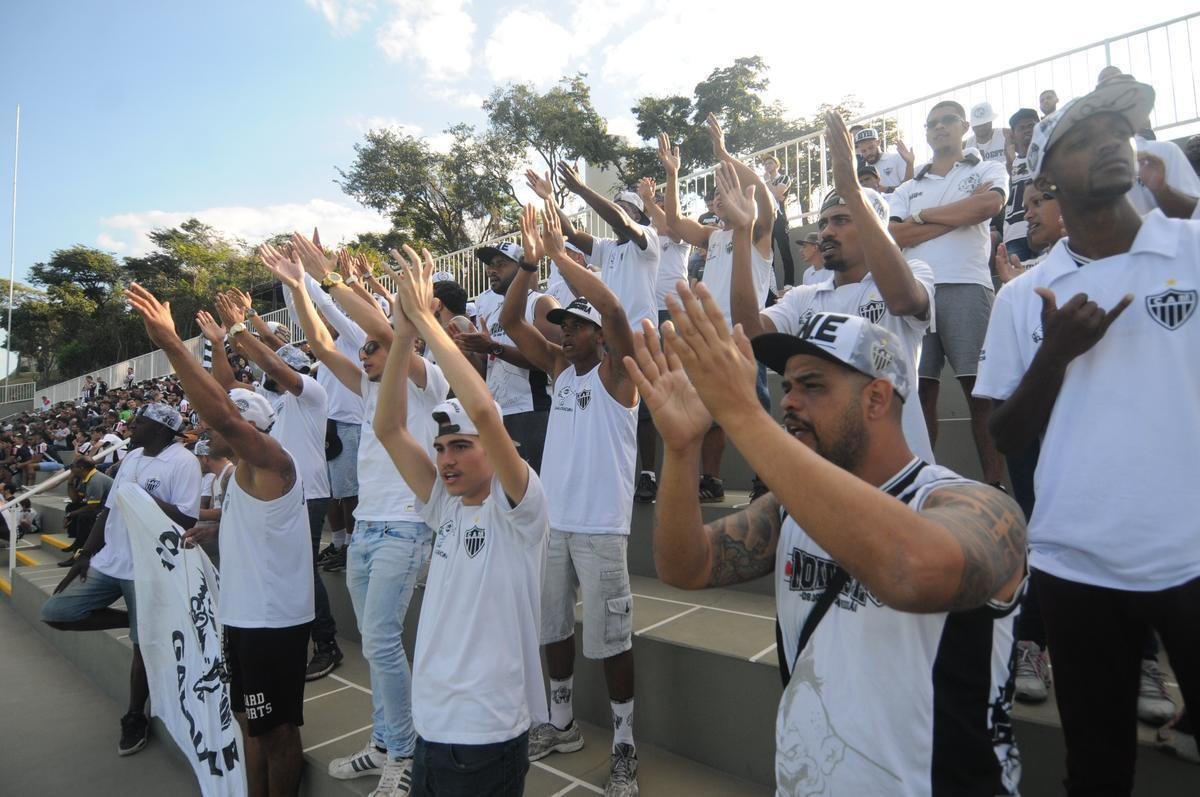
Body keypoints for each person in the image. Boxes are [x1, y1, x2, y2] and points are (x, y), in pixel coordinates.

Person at [636, 286, 1026, 794]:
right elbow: (684, 567)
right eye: (787, 385)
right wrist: (682, 449)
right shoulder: (789, 507)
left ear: (877, 399)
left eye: (813, 386)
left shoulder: (977, 507)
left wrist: (743, 415)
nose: (789, 402)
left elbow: (912, 571)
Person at [974, 75, 1200, 790]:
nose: (1112, 143)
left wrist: (1185, 203)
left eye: (1121, 132)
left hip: (1195, 554)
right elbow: (1007, 434)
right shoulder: (1022, 296)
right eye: (1086, 137)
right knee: (1097, 768)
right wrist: (1055, 356)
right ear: (1044, 178)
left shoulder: (1193, 246)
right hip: (1077, 565)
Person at [266, 235, 449, 797]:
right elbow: (320, 344)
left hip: (406, 528)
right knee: (375, 643)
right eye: (364, 349)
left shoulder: (425, 385)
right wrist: (299, 287)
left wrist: (333, 282)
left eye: (373, 347)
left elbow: (394, 338)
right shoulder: (370, 393)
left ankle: (405, 752)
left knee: (382, 641)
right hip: (368, 529)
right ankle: (386, 740)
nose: (365, 354)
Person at [373, 244, 549, 797]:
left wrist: (428, 320)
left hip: (486, 728)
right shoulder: (443, 505)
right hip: (432, 721)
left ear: (496, 452)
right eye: (442, 447)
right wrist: (403, 336)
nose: (446, 459)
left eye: (461, 447)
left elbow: (484, 411)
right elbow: (389, 429)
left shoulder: (520, 506)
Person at [125, 282, 313, 797]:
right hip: (245, 613)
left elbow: (224, 412)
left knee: (275, 729)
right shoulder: (241, 474)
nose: (202, 425)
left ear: (244, 431)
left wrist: (171, 344)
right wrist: (221, 525)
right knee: (246, 719)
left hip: (272, 619)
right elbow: (229, 405)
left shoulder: (274, 462)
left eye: (222, 421)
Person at [499, 203, 641, 794]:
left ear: (599, 334)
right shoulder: (559, 370)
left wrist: (560, 253)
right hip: (554, 523)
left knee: (612, 639)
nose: (566, 331)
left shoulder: (620, 372)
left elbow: (610, 305)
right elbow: (511, 322)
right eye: (564, 325)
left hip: (603, 526)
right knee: (550, 625)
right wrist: (530, 264)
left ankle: (626, 742)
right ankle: (561, 722)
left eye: (575, 325)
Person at [733, 111, 936, 464]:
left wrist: (854, 192)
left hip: (901, 474)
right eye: (824, 223)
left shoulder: (916, 271)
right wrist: (741, 233)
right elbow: (750, 333)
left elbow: (904, 300)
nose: (826, 232)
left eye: (841, 221)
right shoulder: (804, 296)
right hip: (825, 473)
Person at [41, 401, 200, 757]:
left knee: (142, 647)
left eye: (140, 422)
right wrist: (85, 555)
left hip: (148, 568)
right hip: (109, 561)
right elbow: (108, 509)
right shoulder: (132, 457)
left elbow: (188, 520)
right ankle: (134, 622)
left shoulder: (183, 462)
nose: (131, 426)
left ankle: (134, 717)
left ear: (160, 429)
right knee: (55, 612)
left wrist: (147, 499)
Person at [204, 296, 342, 682]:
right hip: (276, 493)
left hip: (309, 493)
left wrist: (239, 330)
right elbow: (226, 385)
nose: (265, 376)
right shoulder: (266, 401)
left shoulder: (312, 393)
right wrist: (219, 344)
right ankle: (292, 634)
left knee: (305, 570)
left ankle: (327, 642)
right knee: (287, 567)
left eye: (276, 370)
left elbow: (271, 363)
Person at [888, 99, 1009, 488]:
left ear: (963, 127)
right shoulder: (909, 185)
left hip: (967, 285)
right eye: (932, 123)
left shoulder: (988, 167)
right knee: (921, 392)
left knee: (979, 391)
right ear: (926, 132)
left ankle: (994, 485)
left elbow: (990, 204)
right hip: (918, 291)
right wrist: (961, 214)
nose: (939, 128)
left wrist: (923, 217)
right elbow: (896, 234)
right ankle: (924, 484)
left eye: (947, 121)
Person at [658, 114, 776, 502]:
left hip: (744, 334)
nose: (717, 198)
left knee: (755, 407)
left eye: (725, 191)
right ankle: (712, 479)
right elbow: (673, 221)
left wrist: (724, 153)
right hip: (711, 336)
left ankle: (766, 477)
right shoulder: (713, 236)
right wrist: (673, 174)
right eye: (715, 195)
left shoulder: (757, 233)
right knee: (708, 412)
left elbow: (762, 198)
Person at [279, 251, 367, 576]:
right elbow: (301, 314)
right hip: (325, 427)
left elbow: (328, 306)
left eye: (328, 315)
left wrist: (308, 278)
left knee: (351, 493)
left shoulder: (356, 338)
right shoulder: (323, 349)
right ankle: (341, 543)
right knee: (332, 494)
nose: (322, 319)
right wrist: (291, 283)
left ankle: (355, 549)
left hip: (351, 426)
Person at [455, 234, 558, 473]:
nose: (492, 270)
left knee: (539, 493)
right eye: (490, 265)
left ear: (523, 267)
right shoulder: (492, 314)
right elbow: (485, 370)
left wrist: (493, 347)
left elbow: (550, 362)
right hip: (499, 415)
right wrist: (468, 350)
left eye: (501, 264)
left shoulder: (541, 303)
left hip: (533, 411)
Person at [636, 177, 691, 502]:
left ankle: (682, 476)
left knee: (676, 395)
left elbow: (669, 222)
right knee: (647, 401)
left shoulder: (680, 236)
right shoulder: (648, 239)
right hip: (644, 318)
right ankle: (649, 474)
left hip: (673, 316)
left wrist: (648, 200)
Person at [1000, 109, 1041, 262]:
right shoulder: (1007, 164)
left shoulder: (1048, 156)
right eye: (1021, 128)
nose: (1027, 130)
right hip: (1014, 233)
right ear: (1013, 134)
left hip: (1042, 227)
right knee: (1016, 283)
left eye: (1031, 125)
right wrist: (1009, 155)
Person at [59, 456, 113, 559]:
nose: (70, 469)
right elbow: (76, 500)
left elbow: (92, 507)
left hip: (109, 509)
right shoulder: (83, 477)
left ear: (82, 468)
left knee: (84, 516)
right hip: (98, 506)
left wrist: (70, 515)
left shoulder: (95, 480)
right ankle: (77, 543)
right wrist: (70, 482)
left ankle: (80, 549)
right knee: (71, 507)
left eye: (72, 466)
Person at [761, 154, 798, 286]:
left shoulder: (784, 178)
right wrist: (774, 192)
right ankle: (771, 287)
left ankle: (789, 284)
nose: (767, 166)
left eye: (770, 163)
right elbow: (768, 198)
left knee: (784, 251)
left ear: (777, 165)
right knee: (769, 255)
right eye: (765, 164)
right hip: (767, 221)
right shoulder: (764, 182)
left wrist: (768, 184)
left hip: (780, 219)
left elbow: (777, 194)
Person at [853, 127, 914, 191]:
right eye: (863, 151)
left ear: (878, 142)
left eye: (871, 148)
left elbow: (909, 186)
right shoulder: (862, 171)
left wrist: (910, 163)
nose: (868, 153)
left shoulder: (896, 158)